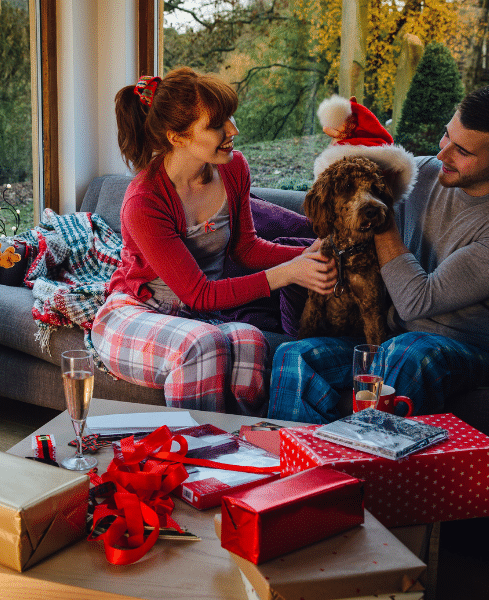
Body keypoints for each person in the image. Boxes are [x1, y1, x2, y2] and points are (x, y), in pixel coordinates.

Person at [269, 82, 489, 423]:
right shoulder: (427, 173)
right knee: (295, 355)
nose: (441, 154)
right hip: (390, 339)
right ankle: (295, 466)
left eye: (461, 151)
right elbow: (342, 200)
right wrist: (348, 150)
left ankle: (367, 470)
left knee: (409, 352)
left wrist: (382, 215)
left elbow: (416, 301)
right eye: (446, 135)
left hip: (463, 350)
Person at [90, 67, 337, 415]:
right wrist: (289, 273)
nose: (233, 130)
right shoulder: (145, 200)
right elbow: (200, 294)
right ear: (178, 137)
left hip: (199, 319)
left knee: (251, 341)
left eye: (230, 117)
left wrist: (306, 255)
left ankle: (243, 456)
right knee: (203, 345)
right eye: (217, 124)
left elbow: (247, 248)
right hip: (134, 314)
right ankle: (193, 454)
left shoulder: (234, 169)